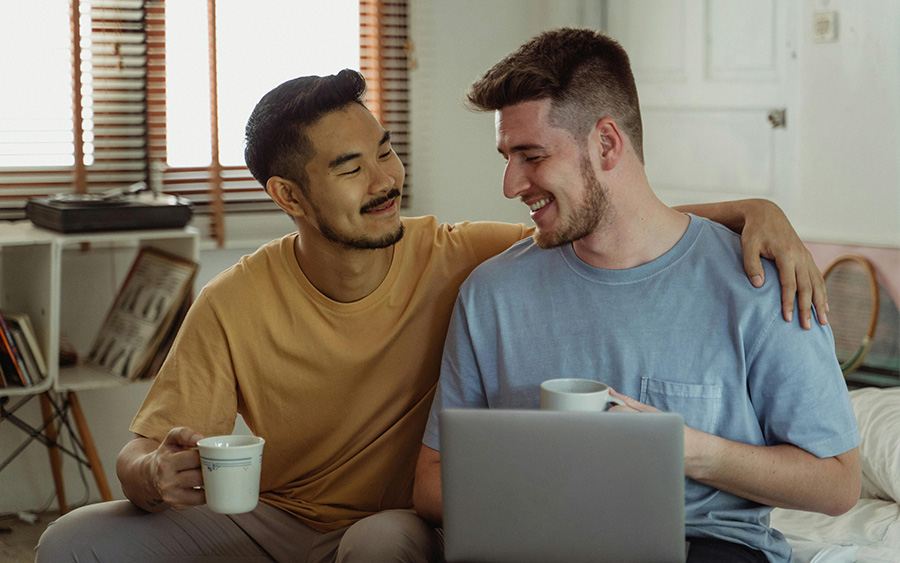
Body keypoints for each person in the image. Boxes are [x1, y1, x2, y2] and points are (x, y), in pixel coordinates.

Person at [37, 67, 826, 562]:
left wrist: (751, 209)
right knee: (71, 541)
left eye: (384, 148)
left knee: (382, 542)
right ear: (289, 198)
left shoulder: (461, 254)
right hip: (273, 519)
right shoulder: (233, 300)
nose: (386, 177)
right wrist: (153, 475)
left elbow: (602, 216)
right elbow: (143, 452)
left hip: (392, 525)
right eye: (351, 166)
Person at [414, 28, 860, 563]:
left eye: (530, 156)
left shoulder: (761, 281)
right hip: (539, 546)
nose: (511, 185)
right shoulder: (491, 296)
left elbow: (837, 483)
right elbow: (432, 483)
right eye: (506, 156)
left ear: (606, 143)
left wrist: (687, 451)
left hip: (706, 546)